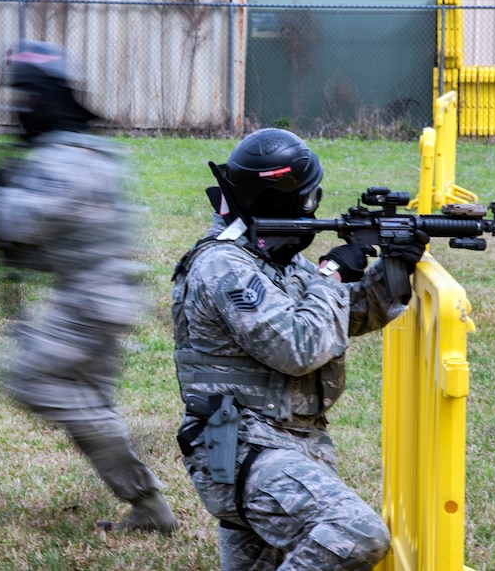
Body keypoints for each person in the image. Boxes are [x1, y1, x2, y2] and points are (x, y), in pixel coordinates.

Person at [171, 128, 428, 570]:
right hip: (240, 447)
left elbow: (342, 316)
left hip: (273, 441)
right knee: (354, 533)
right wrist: (332, 274)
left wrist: (393, 266)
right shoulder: (224, 265)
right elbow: (300, 345)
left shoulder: (272, 257)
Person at [0, 40, 178, 534]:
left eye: (22, 98)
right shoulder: (95, 151)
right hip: (110, 297)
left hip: (89, 302)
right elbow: (51, 241)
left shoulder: (59, 161)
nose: (15, 109)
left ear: (39, 98)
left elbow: (19, 224)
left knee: (26, 380)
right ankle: (149, 509)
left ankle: (127, 441)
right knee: (90, 406)